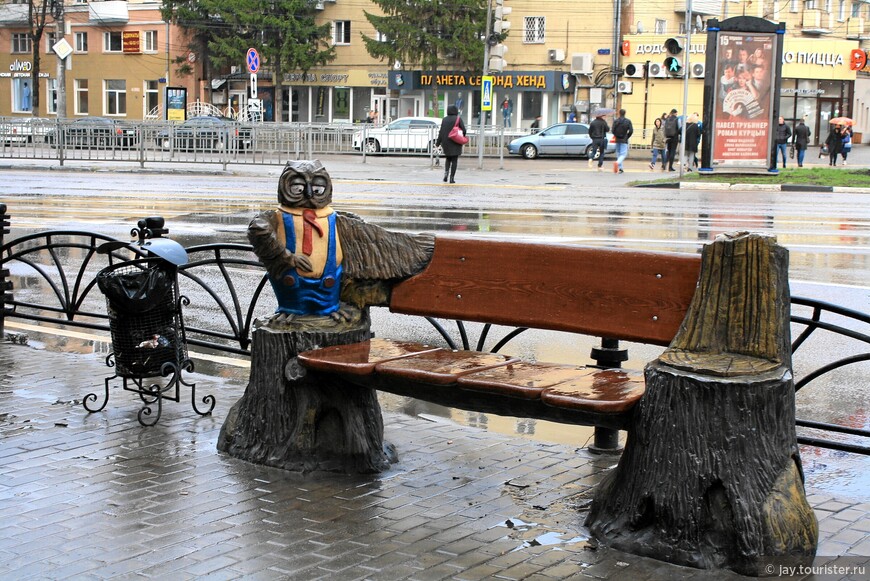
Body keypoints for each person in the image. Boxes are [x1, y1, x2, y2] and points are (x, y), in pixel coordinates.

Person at [436, 105, 465, 183]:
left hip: (446, 142)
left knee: (448, 159)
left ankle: (446, 175)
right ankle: (452, 178)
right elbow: (464, 130)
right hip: (456, 142)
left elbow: (441, 132)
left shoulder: (444, 120)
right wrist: (462, 137)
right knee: (454, 160)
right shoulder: (458, 119)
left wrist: (438, 143)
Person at [611, 109, 633, 174]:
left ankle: (620, 168)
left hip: (617, 139)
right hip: (624, 139)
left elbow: (612, 130)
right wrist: (627, 136)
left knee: (618, 153)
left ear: (619, 113)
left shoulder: (616, 121)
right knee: (623, 154)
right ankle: (617, 163)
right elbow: (631, 131)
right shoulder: (628, 121)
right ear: (625, 113)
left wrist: (616, 135)